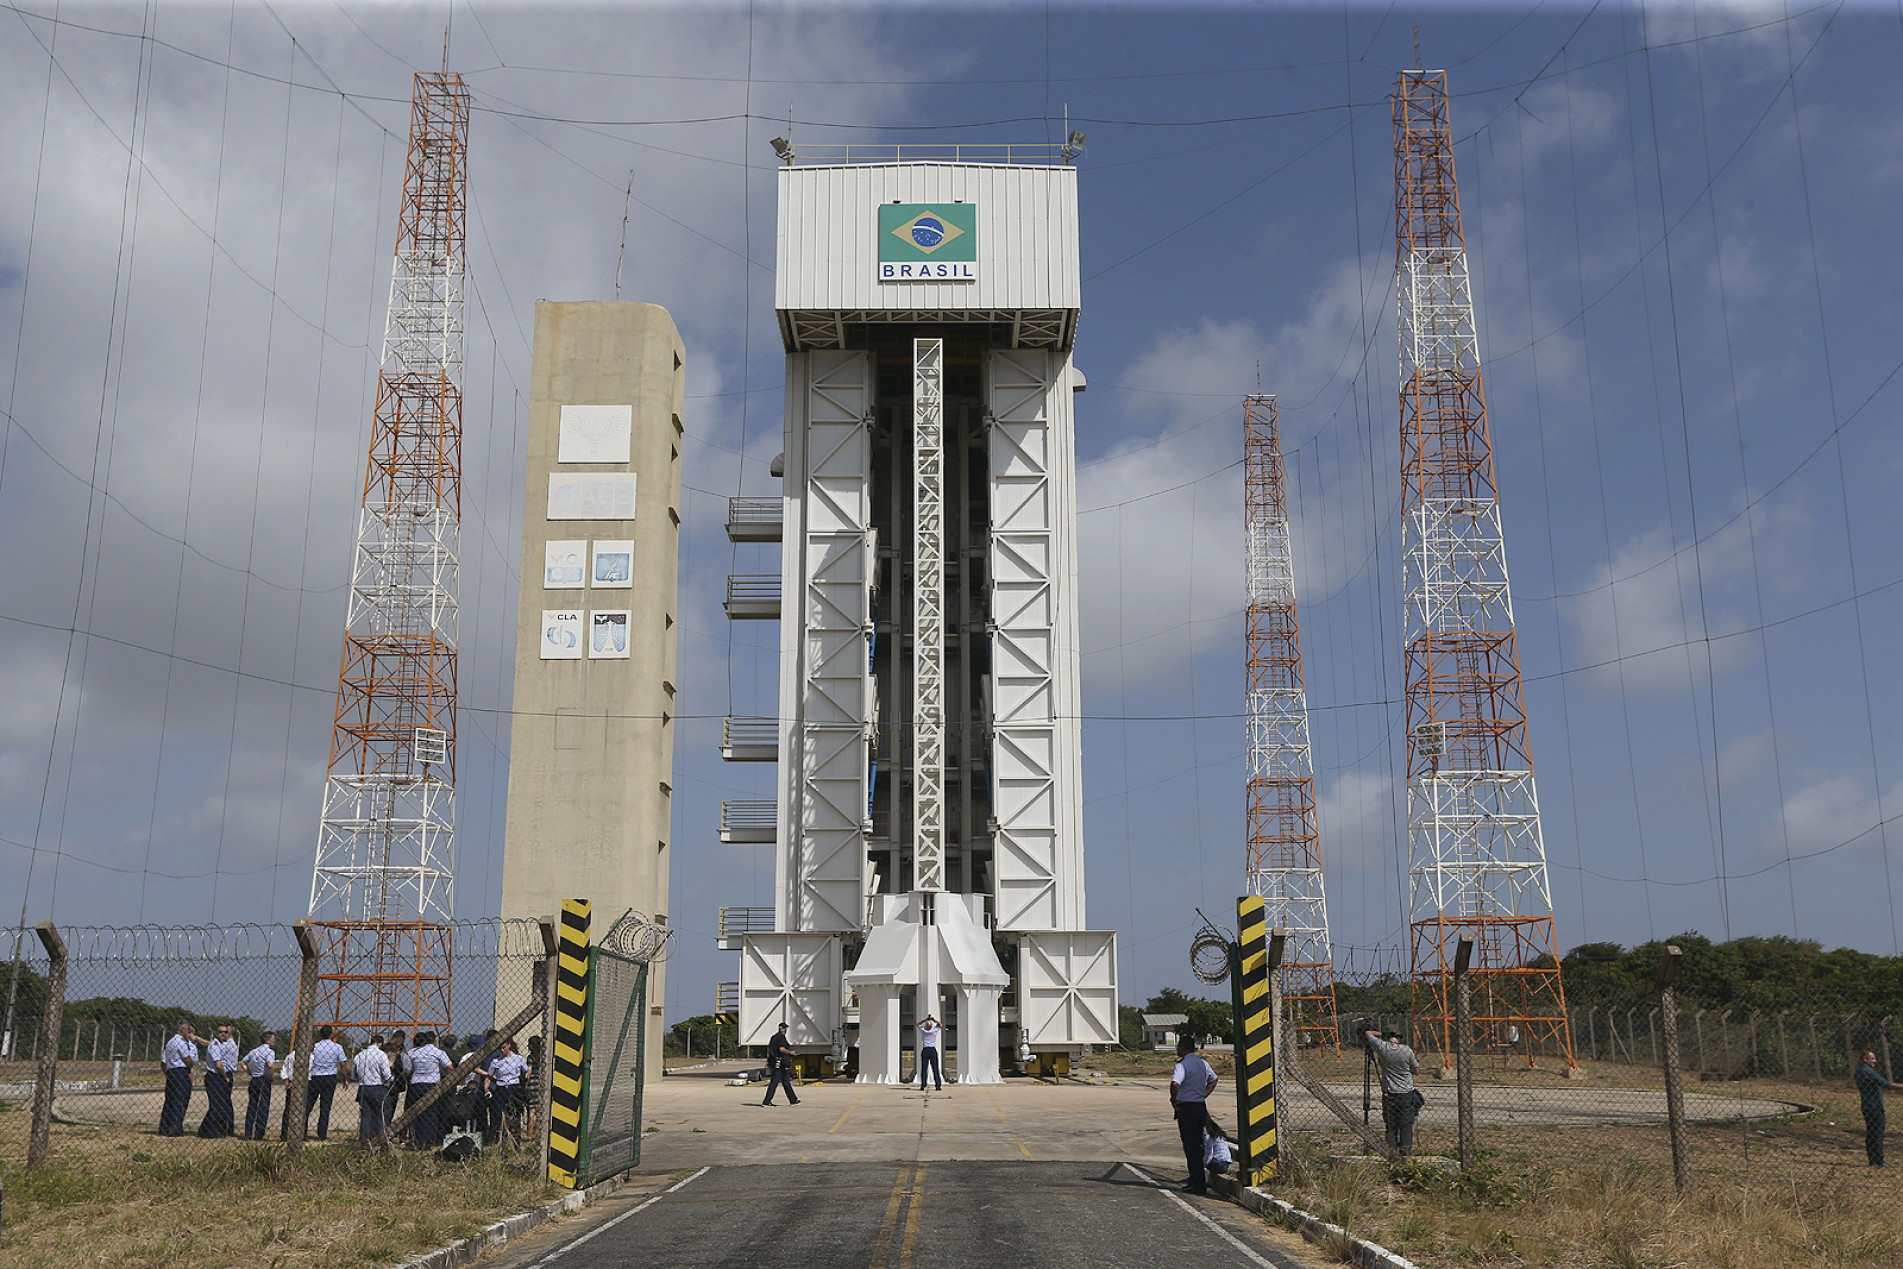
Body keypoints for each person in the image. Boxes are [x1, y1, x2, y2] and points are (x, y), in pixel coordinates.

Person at [1170, 1035, 1220, 1195]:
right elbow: (1214, 1080)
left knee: (1190, 1146)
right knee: (1198, 1144)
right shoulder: (1202, 1063)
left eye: (1178, 1046)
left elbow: (1175, 1083)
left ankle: (1197, 1183)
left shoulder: (1182, 1065)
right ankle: (1196, 1179)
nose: (1177, 1049)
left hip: (1187, 1108)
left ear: (1184, 1048)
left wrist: (1174, 1100)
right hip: (1200, 1107)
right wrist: (1203, 1095)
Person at [1365, 1029, 1422, 1157]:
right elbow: (1417, 1070)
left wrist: (1380, 1034)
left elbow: (1368, 1034)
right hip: (1406, 1093)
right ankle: (1405, 1153)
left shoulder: (1382, 1047)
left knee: (1391, 1126)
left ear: (1388, 1037)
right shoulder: (1406, 1050)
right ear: (1399, 1038)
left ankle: (1391, 1153)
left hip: (1389, 1093)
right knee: (1406, 1125)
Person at [406, 1030, 453, 1148]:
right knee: (430, 1114)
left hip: (415, 1084)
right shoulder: (438, 1052)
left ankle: (414, 1140)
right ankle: (427, 1142)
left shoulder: (414, 1053)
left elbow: (408, 1070)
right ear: (435, 1040)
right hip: (431, 1084)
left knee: (414, 1113)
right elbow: (450, 1067)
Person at [157, 1021, 203, 1136]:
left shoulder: (170, 1042)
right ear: (183, 1030)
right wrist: (191, 1065)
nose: (189, 1033)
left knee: (170, 1100)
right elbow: (187, 1059)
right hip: (181, 1072)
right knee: (180, 1100)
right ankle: (175, 1129)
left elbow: (164, 1061)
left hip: (171, 1072)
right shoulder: (181, 1042)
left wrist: (167, 1073)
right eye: (188, 1030)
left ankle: (164, 1128)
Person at [197, 1023, 240, 1138]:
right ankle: (210, 1131)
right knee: (216, 1105)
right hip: (216, 1076)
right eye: (221, 1032)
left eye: (225, 1032)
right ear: (217, 1033)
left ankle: (207, 1129)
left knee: (221, 1104)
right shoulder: (215, 1045)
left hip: (222, 1075)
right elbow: (218, 1065)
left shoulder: (222, 1045)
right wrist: (225, 1077)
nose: (223, 1034)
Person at [1855, 1050, 1897, 1167]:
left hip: (1866, 1106)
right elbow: (1887, 1085)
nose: (1875, 1061)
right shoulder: (1868, 1072)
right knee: (1878, 1133)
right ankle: (1879, 1161)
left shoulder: (1858, 1072)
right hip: (1875, 1106)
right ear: (1865, 1059)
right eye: (1872, 1058)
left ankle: (1872, 1159)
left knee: (1871, 1133)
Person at [305, 1026, 348, 1141]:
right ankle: (322, 1134)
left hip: (315, 1076)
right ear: (331, 1034)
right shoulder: (337, 1047)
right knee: (325, 1107)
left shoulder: (315, 1047)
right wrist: (345, 1078)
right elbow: (342, 1064)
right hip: (330, 1077)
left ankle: (303, 1131)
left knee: (308, 1105)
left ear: (320, 1034)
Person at [486, 1038, 530, 1142]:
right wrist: (487, 1089)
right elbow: (489, 1076)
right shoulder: (496, 1061)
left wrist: (525, 1081)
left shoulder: (518, 1059)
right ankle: (498, 1138)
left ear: (509, 1045)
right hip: (501, 1088)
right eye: (500, 1048)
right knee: (498, 1114)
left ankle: (515, 1138)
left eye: (504, 1048)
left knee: (514, 1115)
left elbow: (527, 1071)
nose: (502, 1050)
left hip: (514, 1087)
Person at [353, 1032, 394, 1143]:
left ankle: (365, 1139)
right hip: (377, 1087)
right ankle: (379, 1138)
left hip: (363, 1087)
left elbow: (354, 1074)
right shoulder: (381, 1055)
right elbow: (386, 1075)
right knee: (379, 1115)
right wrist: (390, 1079)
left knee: (365, 1116)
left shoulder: (359, 1055)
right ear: (380, 1044)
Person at [242, 1031, 279, 1140]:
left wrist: (249, 1071)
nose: (274, 1040)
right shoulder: (269, 1052)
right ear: (268, 1040)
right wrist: (271, 1076)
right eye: (273, 1038)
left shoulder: (254, 1051)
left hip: (254, 1079)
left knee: (252, 1105)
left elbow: (242, 1062)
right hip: (264, 1079)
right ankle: (259, 1133)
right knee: (263, 1107)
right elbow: (270, 1065)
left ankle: (248, 1133)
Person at [761, 1022, 801, 1106]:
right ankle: (767, 1101)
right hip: (779, 1063)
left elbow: (769, 1049)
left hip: (776, 1063)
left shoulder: (774, 1037)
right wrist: (791, 1052)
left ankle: (793, 1100)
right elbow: (782, 1049)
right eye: (786, 1029)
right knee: (774, 1082)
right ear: (784, 1029)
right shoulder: (781, 1038)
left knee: (786, 1082)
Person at [916, 1014, 945, 1092]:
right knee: (935, 1068)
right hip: (932, 1050)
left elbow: (918, 1024)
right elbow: (940, 1025)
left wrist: (925, 1019)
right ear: (931, 1026)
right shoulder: (934, 1030)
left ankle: (923, 1085)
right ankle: (938, 1085)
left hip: (925, 1050)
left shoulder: (923, 1030)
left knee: (924, 1068)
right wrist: (933, 1020)